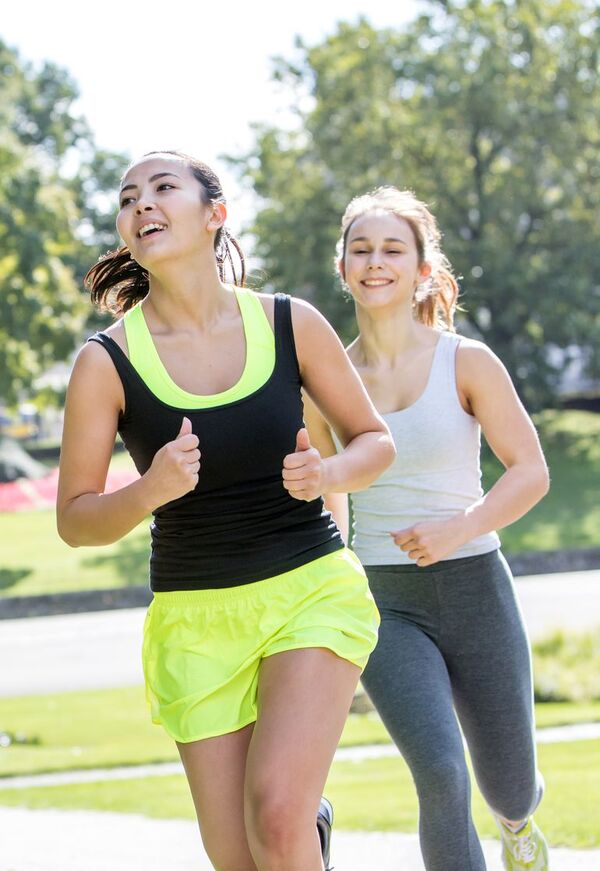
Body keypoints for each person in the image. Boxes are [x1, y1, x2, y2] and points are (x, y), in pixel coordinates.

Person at [56, 151, 396, 871]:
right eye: (128, 197)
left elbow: (375, 442)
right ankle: (312, 834)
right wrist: (149, 490)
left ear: (215, 214)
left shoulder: (288, 324)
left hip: (308, 587)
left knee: (274, 815)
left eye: (162, 187)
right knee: (240, 855)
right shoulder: (105, 363)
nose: (142, 203)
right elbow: (77, 519)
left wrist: (326, 472)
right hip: (195, 617)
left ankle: (300, 825)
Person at [304, 186, 550, 871]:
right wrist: (337, 582)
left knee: (508, 782)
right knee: (441, 774)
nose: (375, 261)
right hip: (387, 604)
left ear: (421, 268)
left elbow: (531, 470)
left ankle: (519, 823)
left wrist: (458, 528)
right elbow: (334, 493)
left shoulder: (465, 361)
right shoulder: (325, 381)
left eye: (392, 249)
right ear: (343, 265)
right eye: (361, 248)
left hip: (476, 585)